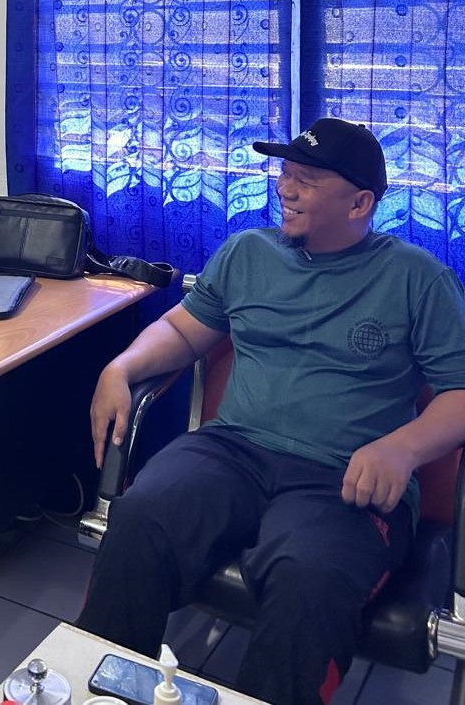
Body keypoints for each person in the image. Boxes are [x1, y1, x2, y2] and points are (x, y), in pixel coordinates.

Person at [75, 118, 465, 705]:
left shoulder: (417, 279)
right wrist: (121, 368)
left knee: (308, 577)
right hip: (231, 450)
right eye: (284, 173)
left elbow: (460, 391)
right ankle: (105, 693)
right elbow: (181, 332)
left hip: (342, 477)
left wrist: (402, 448)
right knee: (139, 519)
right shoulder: (247, 252)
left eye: (306, 179)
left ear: (360, 203)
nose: (285, 188)